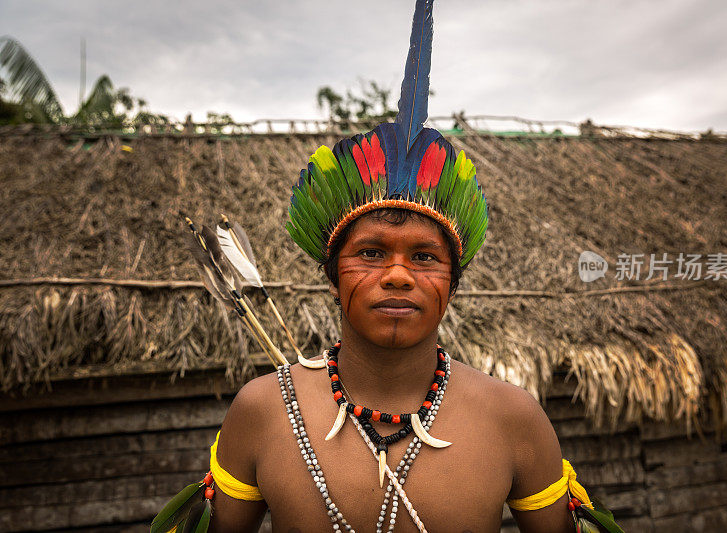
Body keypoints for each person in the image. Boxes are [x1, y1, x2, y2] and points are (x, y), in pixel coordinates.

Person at [155, 1, 620, 531]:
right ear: (332, 279)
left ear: (453, 283)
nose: (398, 275)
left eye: (425, 257)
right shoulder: (263, 411)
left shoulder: (514, 418)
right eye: (371, 253)